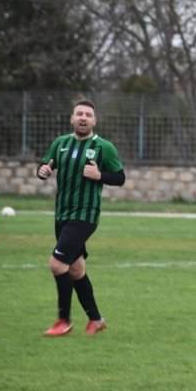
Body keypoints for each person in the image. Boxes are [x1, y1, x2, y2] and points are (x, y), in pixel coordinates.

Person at [37, 99, 126, 337]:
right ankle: (96, 320)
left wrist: (99, 175)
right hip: (62, 215)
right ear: (72, 118)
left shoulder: (104, 147)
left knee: (57, 264)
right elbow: (45, 165)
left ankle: (63, 321)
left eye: (88, 114)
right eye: (79, 114)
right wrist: (42, 171)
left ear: (94, 120)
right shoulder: (61, 143)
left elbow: (120, 178)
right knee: (76, 270)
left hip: (85, 216)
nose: (84, 118)